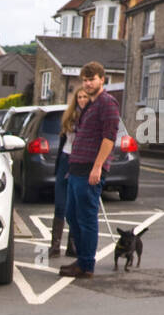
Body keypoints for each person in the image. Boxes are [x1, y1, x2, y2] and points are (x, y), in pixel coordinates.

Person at [59, 62, 120, 279]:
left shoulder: (107, 103)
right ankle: (82, 259)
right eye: (85, 80)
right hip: (76, 170)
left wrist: (97, 167)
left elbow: (109, 138)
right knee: (72, 215)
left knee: (86, 218)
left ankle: (86, 265)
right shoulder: (90, 105)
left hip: (90, 172)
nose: (87, 83)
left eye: (92, 79)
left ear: (102, 79)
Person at [49, 84, 90, 257]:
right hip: (66, 159)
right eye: (79, 97)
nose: (81, 100)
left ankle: (72, 245)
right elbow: (63, 142)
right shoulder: (69, 116)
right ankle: (55, 245)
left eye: (85, 97)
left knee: (75, 205)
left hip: (80, 163)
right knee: (60, 203)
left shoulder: (91, 117)